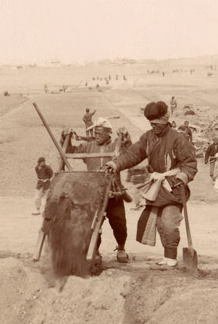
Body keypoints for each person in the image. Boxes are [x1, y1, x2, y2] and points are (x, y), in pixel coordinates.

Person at [107, 101, 197, 268]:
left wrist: (184, 175)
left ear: (165, 120)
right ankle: (167, 256)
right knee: (160, 223)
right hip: (156, 188)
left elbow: (190, 163)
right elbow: (133, 154)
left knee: (169, 222)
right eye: (151, 123)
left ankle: (171, 256)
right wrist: (116, 164)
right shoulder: (147, 138)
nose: (153, 126)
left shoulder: (178, 139)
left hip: (173, 187)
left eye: (156, 123)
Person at [64, 117, 129, 263]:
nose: (96, 135)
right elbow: (69, 151)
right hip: (94, 193)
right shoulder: (88, 147)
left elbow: (129, 153)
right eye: (94, 132)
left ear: (108, 133)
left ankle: (121, 247)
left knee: (119, 223)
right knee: (94, 224)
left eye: (99, 132)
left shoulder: (114, 146)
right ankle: (96, 250)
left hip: (114, 192)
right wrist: (66, 137)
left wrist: (125, 137)